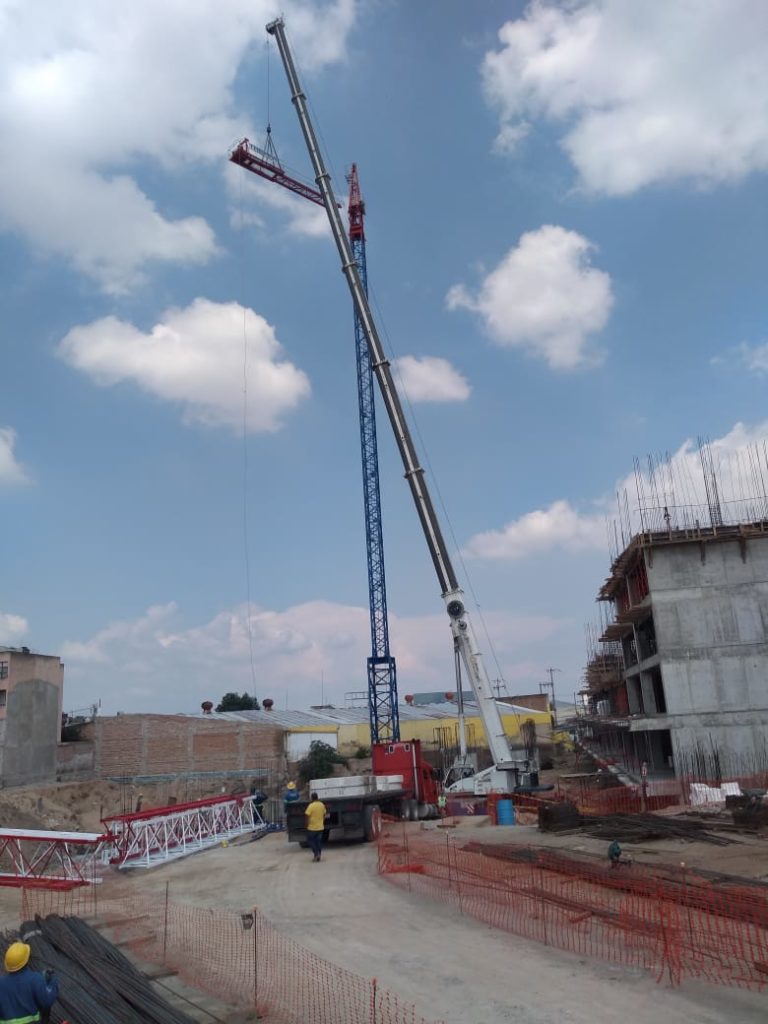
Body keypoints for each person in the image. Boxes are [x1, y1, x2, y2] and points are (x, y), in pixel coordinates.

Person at [0, 941, 59, 1024]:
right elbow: (46, 1002)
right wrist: (53, 982)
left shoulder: (1, 983)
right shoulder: (35, 979)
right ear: (27, 960)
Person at [304, 791, 327, 862]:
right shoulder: (322, 805)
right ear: (317, 797)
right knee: (318, 841)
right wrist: (322, 821)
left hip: (312, 828)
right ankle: (319, 854)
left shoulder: (311, 806)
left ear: (312, 798)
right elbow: (324, 814)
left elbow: (307, 815)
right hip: (320, 827)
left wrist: (306, 824)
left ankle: (316, 854)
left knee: (311, 841)